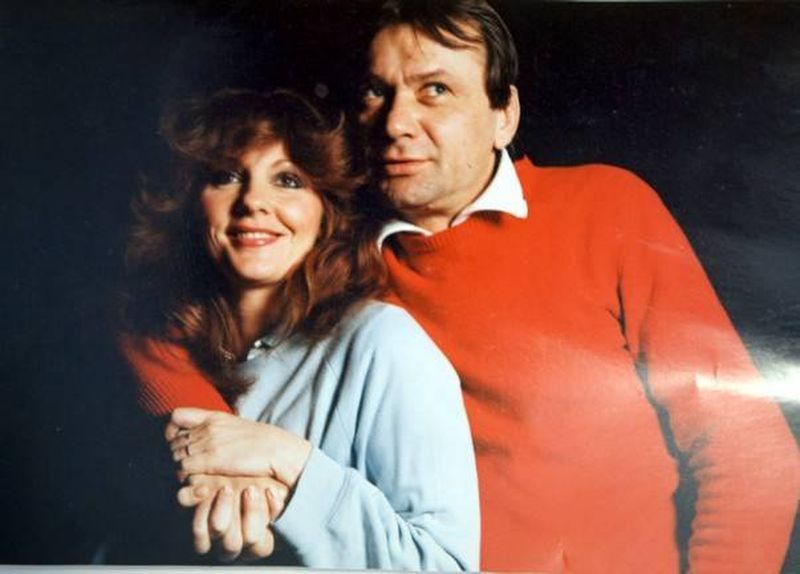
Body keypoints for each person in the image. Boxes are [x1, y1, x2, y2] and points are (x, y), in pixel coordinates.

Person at [130, 1, 800, 572]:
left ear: (503, 113)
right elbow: (150, 308)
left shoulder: (605, 209)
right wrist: (216, 448)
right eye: (376, 92)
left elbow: (749, 453)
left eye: (435, 90)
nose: (396, 122)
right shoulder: (330, 248)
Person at [119, 88, 479, 570]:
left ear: (327, 211)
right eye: (226, 176)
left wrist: (291, 462)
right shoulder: (167, 354)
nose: (253, 202)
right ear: (191, 203)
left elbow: (446, 565)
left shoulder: (383, 344)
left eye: (288, 180)